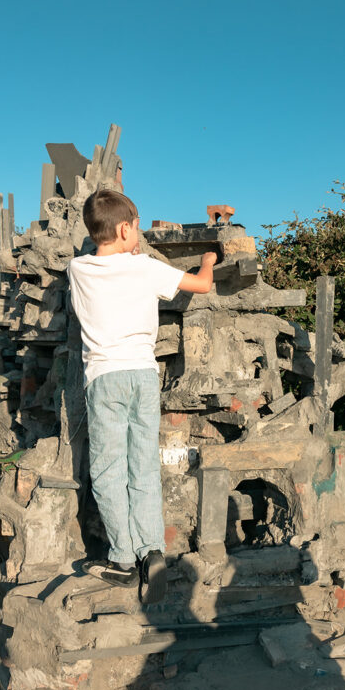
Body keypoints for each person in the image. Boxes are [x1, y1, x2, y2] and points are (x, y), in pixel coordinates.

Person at [68, 189, 215, 602]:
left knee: (109, 469)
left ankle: (121, 558)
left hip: (104, 378)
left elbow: (97, 260)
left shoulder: (77, 269)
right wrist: (208, 261)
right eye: (135, 227)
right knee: (143, 466)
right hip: (143, 376)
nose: (139, 235)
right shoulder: (146, 268)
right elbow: (201, 286)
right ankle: (152, 550)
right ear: (124, 228)